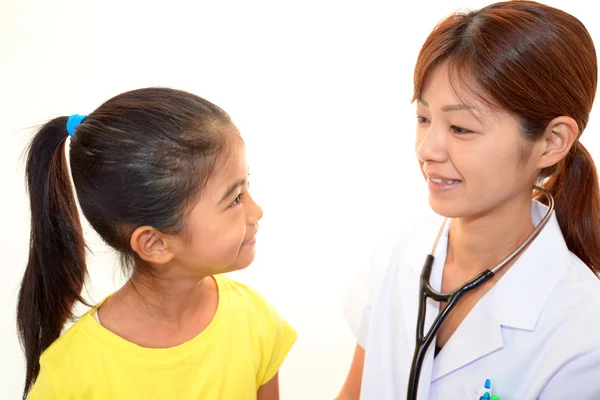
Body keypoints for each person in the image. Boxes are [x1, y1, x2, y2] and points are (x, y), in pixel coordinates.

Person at [337, 1, 600, 398]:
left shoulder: (583, 331)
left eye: (460, 128)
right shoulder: (395, 255)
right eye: (423, 118)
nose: (428, 149)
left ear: (551, 142)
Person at [17, 88, 296, 400]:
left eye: (247, 186)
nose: (256, 211)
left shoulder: (255, 321)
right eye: (234, 199)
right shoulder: (70, 375)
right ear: (154, 243)